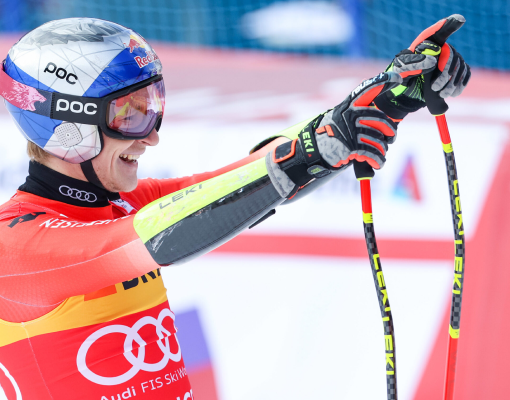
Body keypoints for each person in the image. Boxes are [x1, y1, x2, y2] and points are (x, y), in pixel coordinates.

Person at [0, 17, 469, 400]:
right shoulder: (16, 243)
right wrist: (313, 149)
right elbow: (156, 237)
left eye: (152, 107)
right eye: (130, 114)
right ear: (67, 125)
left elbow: (239, 180)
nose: (151, 135)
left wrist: (384, 98)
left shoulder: (120, 203)